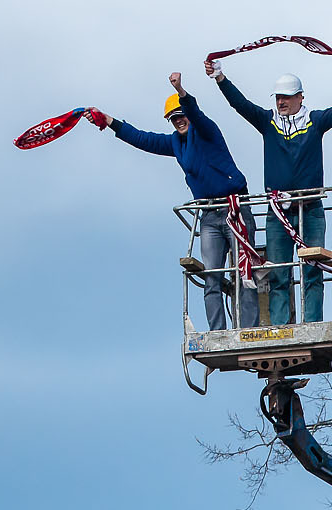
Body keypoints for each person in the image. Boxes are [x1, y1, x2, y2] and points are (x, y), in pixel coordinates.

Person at [209, 55, 332, 326]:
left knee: (313, 269)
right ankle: (280, 327)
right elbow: (239, 104)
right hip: (278, 212)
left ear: (301, 97)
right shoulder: (268, 123)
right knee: (279, 273)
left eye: (288, 97)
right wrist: (220, 78)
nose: (281, 102)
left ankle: (312, 324)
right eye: (278, 97)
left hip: (311, 209)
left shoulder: (315, 121)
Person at [94, 73, 250, 330]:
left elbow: (195, 112)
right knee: (212, 277)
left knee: (245, 274)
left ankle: (250, 329)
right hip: (209, 215)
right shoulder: (177, 143)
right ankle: (219, 332)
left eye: (181, 115)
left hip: (235, 209)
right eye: (174, 118)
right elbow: (143, 139)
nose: (179, 121)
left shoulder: (207, 131)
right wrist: (109, 121)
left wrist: (180, 90)